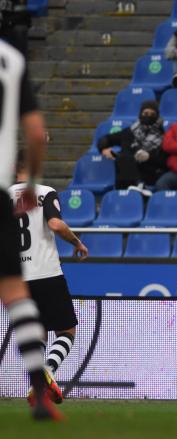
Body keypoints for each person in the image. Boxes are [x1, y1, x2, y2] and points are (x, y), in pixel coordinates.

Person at [0, 38, 61, 420]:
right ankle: (39, 394)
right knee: (14, 293)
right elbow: (36, 134)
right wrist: (33, 182)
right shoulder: (11, 58)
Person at [9, 153, 89, 406]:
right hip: (46, 273)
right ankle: (48, 370)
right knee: (66, 330)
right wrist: (76, 242)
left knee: (39, 331)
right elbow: (55, 224)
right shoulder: (44, 192)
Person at [96, 100, 167, 193]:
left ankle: (139, 186)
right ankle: (133, 187)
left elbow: (163, 160)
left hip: (147, 174)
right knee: (124, 158)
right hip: (125, 176)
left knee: (124, 158)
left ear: (157, 116)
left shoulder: (163, 137)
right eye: (145, 113)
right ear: (140, 114)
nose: (148, 116)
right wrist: (104, 149)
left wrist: (149, 156)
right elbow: (106, 139)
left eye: (152, 114)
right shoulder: (129, 132)